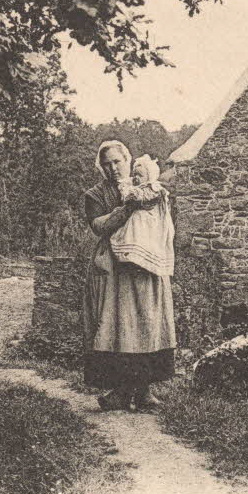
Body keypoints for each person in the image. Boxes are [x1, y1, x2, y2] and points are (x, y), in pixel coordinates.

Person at [82, 141, 177, 412]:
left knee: (147, 323)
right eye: (106, 164)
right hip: (114, 267)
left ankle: (144, 391)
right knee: (121, 327)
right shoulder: (95, 194)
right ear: (101, 167)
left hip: (146, 262)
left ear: (127, 159)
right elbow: (99, 226)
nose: (112, 168)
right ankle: (122, 391)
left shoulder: (147, 183)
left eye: (117, 162)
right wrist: (126, 209)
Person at [109, 154, 175, 277]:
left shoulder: (153, 188)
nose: (136, 178)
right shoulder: (139, 187)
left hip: (151, 221)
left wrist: (130, 191)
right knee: (133, 221)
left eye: (140, 175)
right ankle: (131, 257)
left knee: (138, 218)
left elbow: (142, 198)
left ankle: (141, 259)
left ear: (149, 176)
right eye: (135, 175)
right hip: (142, 221)